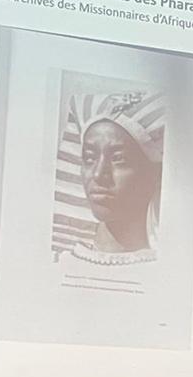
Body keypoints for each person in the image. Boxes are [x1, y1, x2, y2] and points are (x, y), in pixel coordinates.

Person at [60, 89, 165, 267]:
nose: (98, 174)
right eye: (89, 158)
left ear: (156, 173)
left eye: (118, 159)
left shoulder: (169, 272)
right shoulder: (59, 263)